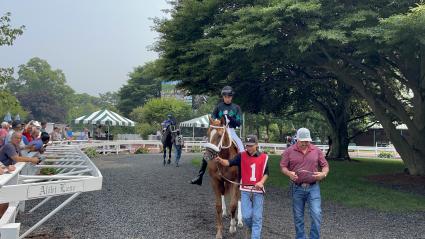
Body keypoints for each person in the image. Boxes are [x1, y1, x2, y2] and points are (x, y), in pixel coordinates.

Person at [215, 135, 268, 239]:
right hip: (245, 190)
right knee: (246, 217)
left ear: (256, 145)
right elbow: (229, 162)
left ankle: (255, 236)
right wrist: (221, 160)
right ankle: (251, 228)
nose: (248, 147)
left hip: (258, 190)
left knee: (257, 217)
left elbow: (266, 173)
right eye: (247, 145)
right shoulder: (241, 156)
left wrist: (261, 182)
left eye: (251, 145)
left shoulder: (264, 157)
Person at [280, 128, 329, 239]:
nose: (305, 143)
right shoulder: (289, 151)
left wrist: (323, 174)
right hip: (297, 188)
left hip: (313, 188)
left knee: (316, 214)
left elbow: (325, 165)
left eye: (307, 141)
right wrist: (289, 173)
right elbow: (283, 167)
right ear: (297, 139)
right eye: (303, 141)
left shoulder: (316, 150)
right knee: (298, 217)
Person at [190, 85, 243, 185]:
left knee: (242, 148)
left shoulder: (236, 108)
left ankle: (243, 176)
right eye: (226, 96)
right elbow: (213, 118)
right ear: (223, 96)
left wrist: (230, 118)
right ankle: (199, 176)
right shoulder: (218, 107)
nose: (227, 98)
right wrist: (217, 121)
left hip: (230, 130)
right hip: (219, 130)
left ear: (232, 97)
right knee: (208, 150)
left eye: (229, 96)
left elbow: (239, 122)